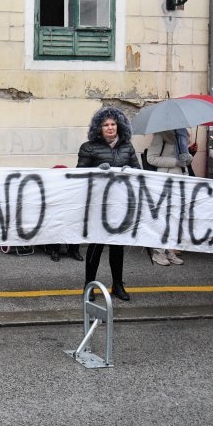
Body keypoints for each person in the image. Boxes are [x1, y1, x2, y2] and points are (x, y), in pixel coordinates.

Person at [77, 106, 140, 301]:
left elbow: (139, 171)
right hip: (98, 204)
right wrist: (97, 170)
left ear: (119, 126)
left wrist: (131, 170)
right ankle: (89, 285)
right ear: (99, 128)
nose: (110, 128)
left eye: (113, 124)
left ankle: (118, 285)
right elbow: (79, 175)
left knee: (117, 246)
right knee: (96, 245)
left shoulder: (127, 147)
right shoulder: (88, 147)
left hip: (120, 204)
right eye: (106, 125)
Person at [145, 129, 191, 266]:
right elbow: (151, 158)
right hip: (165, 180)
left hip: (181, 179)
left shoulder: (183, 134)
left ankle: (170, 250)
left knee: (176, 217)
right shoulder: (160, 134)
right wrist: (175, 161)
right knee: (162, 217)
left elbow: (186, 157)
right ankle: (158, 252)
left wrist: (188, 157)